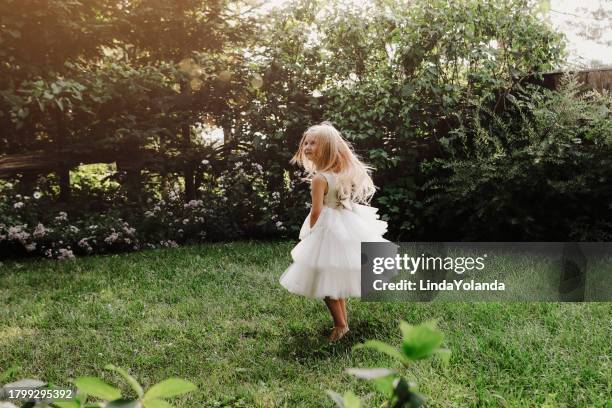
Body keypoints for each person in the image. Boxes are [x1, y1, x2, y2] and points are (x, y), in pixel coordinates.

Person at [279, 121, 393, 342]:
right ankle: (343, 323)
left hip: (329, 229)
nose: (308, 147)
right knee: (334, 278)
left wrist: (311, 233)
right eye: (307, 143)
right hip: (346, 225)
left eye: (314, 143)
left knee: (325, 279)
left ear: (327, 149)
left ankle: (340, 325)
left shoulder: (319, 179)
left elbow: (316, 211)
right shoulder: (342, 173)